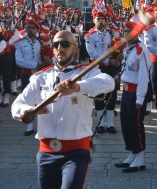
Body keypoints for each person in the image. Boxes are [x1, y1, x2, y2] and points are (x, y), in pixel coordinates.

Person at [11, 30, 114, 189]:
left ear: (75, 49)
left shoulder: (86, 73)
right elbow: (16, 106)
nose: (60, 47)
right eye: (56, 44)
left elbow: (108, 83)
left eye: (65, 44)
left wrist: (78, 87)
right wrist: (30, 110)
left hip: (76, 152)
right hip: (46, 152)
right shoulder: (40, 77)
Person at [115, 21, 150, 173]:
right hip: (126, 91)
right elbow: (127, 69)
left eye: (130, 30)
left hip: (136, 93)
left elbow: (144, 76)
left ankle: (140, 159)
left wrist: (140, 99)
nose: (127, 33)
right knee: (126, 124)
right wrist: (119, 76)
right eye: (126, 30)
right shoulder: (128, 49)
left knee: (136, 125)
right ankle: (132, 154)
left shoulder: (141, 50)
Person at [85, 11, 122, 134]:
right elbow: (92, 53)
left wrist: (118, 56)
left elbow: (119, 45)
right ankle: (100, 124)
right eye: (98, 18)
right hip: (98, 68)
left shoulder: (111, 33)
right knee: (99, 95)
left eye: (102, 18)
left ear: (106, 21)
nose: (100, 20)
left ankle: (110, 124)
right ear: (94, 20)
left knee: (112, 95)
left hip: (111, 68)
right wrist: (108, 60)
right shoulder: (89, 36)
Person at [15, 18, 42, 136]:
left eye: (32, 27)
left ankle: (41, 125)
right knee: (27, 99)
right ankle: (29, 126)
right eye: (28, 27)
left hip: (40, 74)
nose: (30, 29)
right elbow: (19, 61)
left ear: (36, 29)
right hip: (26, 74)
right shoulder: (20, 43)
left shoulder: (40, 42)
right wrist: (35, 65)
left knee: (41, 99)